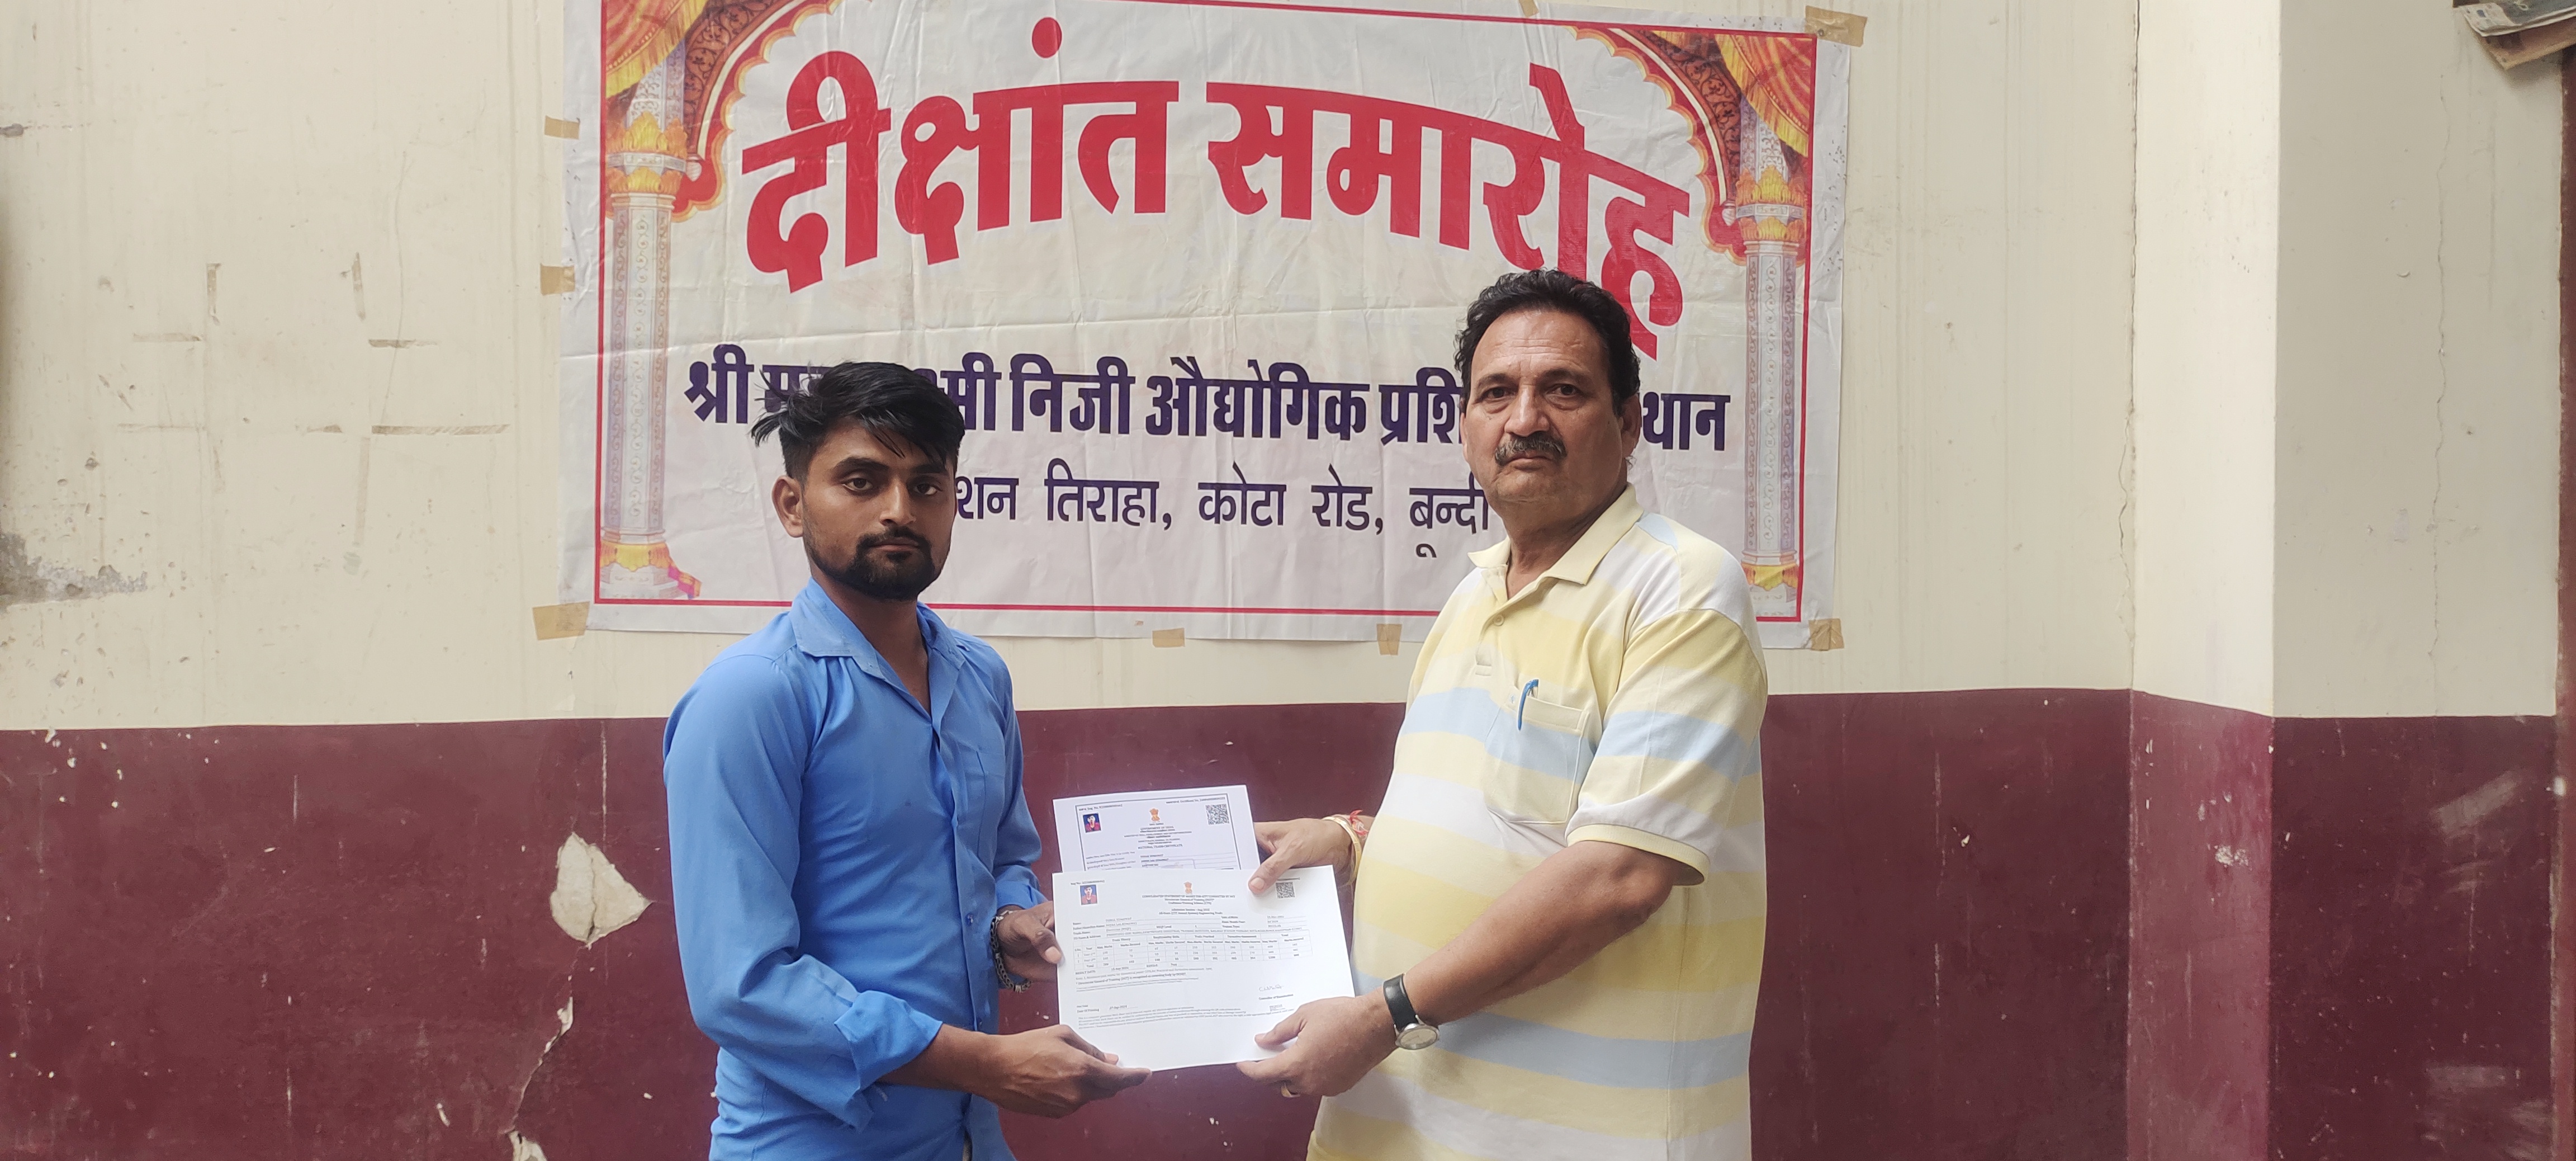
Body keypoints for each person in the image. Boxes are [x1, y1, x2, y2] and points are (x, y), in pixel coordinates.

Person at [1239, 270, 1770, 1160]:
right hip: (1407, 1126)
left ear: (1629, 423)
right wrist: (1354, 841)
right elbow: (1498, 817)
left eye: (1563, 390)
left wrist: (1385, 1015)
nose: (1525, 419)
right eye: (1497, 393)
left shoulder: (1681, 589)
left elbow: (1618, 877)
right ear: (1465, 429)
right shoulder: (1473, 594)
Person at [662, 362, 1148, 1161]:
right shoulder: (751, 696)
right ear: (792, 505)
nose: (899, 510)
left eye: (927, 486)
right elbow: (740, 986)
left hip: (968, 1138)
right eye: (862, 481)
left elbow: (1002, 860)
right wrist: (985, 1063)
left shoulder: (980, 676)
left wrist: (1011, 926)